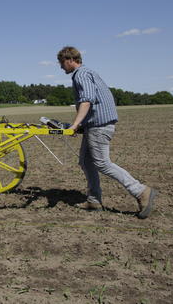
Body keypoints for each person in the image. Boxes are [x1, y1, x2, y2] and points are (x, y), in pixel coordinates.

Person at [57, 46, 158, 219]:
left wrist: (74, 125)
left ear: (70, 60)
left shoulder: (81, 74)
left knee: (103, 163)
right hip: (94, 125)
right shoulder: (88, 72)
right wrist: (81, 125)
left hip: (99, 126)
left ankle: (141, 191)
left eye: (61, 63)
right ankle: (94, 200)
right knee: (86, 162)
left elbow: (87, 100)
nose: (61, 67)